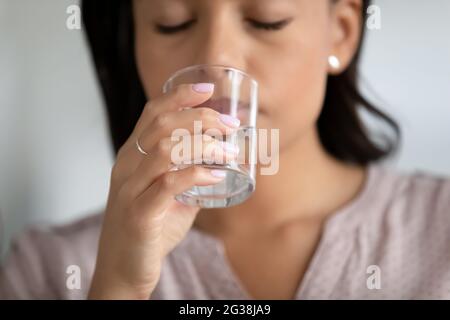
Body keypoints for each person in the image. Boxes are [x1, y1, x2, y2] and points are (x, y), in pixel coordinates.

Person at [1, 0, 450, 300]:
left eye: (266, 19)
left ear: (342, 32)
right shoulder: (47, 270)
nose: (218, 62)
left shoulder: (440, 231)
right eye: (172, 22)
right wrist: (117, 285)